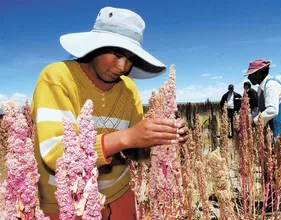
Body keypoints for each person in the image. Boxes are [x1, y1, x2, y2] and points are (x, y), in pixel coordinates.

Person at [30, 6, 189, 219]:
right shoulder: (57, 78)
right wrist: (127, 137)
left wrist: (161, 140)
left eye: (130, 58)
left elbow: (134, 150)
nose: (122, 66)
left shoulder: (128, 89)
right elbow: (55, 153)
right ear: (95, 47)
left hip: (119, 195)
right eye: (116, 54)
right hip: (66, 203)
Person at [245, 58, 281, 217]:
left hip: (279, 137)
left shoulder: (271, 85)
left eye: (251, 74)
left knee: (277, 173)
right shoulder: (263, 87)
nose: (249, 78)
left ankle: (280, 207)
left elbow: (272, 111)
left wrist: (252, 123)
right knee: (270, 172)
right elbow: (261, 109)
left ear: (259, 73)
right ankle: (273, 203)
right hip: (271, 138)